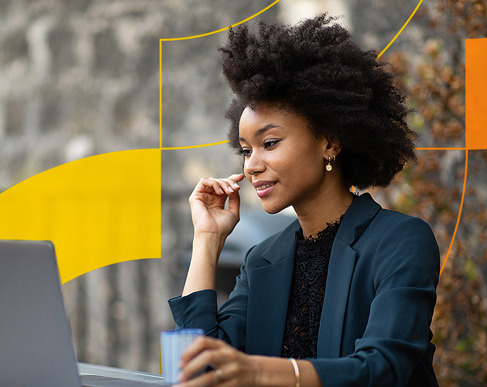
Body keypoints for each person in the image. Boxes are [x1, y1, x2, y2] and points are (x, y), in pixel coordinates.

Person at [168, 14, 439, 387]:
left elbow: (383, 367)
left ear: (329, 142)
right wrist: (207, 239)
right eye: (246, 151)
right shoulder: (263, 260)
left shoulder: (399, 241)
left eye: (270, 143)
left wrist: (258, 371)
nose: (252, 166)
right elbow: (202, 371)